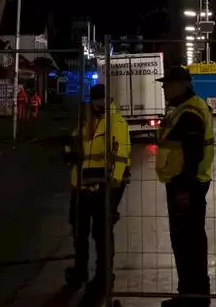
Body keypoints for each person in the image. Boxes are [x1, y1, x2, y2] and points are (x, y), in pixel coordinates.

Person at [63, 84, 131, 296]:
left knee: (102, 236)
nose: (99, 103)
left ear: (108, 100)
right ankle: (80, 271)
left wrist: (114, 191)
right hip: (81, 189)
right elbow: (73, 144)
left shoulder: (116, 123)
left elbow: (121, 158)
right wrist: (68, 152)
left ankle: (103, 277)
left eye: (102, 99)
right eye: (95, 100)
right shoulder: (85, 121)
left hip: (104, 188)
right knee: (79, 233)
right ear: (91, 101)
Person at [155, 66, 215, 307]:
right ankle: (189, 294)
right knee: (187, 242)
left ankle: (194, 298)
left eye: (167, 83)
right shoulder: (183, 108)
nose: (163, 87)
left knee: (188, 243)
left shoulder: (190, 112)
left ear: (182, 84)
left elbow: (192, 155)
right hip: (185, 184)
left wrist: (183, 190)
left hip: (187, 186)